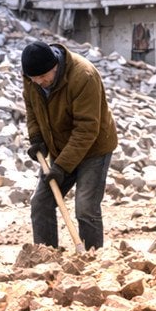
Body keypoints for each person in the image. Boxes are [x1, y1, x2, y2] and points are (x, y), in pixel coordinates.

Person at [20, 40, 117, 250]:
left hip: (94, 149)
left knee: (85, 207)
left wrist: (61, 167)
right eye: (34, 79)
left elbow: (87, 128)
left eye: (43, 77)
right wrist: (36, 138)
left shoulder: (83, 76)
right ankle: (46, 258)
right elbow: (32, 110)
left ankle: (92, 259)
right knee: (41, 203)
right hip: (62, 146)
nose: (39, 82)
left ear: (55, 66)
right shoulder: (33, 79)